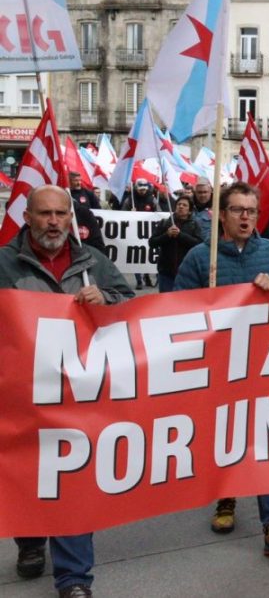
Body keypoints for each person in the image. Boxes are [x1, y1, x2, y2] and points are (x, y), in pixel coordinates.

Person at [2, 185, 134, 598]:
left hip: (79, 396)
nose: (54, 222)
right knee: (27, 476)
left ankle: (74, 578)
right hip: (21, 395)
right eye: (45, 214)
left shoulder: (92, 260)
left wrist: (107, 298)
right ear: (28, 218)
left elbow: (130, 305)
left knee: (72, 481)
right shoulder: (4, 263)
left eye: (62, 214)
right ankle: (29, 541)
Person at [174, 181, 269, 556]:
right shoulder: (202, 257)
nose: (246, 217)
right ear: (221, 215)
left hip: (263, 363)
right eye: (237, 210)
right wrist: (203, 301)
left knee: (265, 436)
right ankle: (226, 496)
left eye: (251, 210)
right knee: (226, 434)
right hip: (219, 365)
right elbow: (174, 309)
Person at [148, 195, 202, 292]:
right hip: (166, 273)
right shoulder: (165, 223)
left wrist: (180, 235)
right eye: (179, 204)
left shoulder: (194, 225)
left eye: (184, 205)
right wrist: (167, 235)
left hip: (186, 272)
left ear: (189, 211)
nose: (181, 207)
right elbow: (152, 242)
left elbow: (198, 244)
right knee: (166, 303)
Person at [122, 179, 159, 289]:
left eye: (144, 190)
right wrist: (130, 213)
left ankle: (147, 276)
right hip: (134, 232)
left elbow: (159, 212)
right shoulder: (130, 200)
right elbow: (122, 214)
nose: (142, 192)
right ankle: (139, 280)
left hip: (149, 232)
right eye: (140, 190)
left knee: (148, 255)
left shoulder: (152, 199)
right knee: (136, 255)